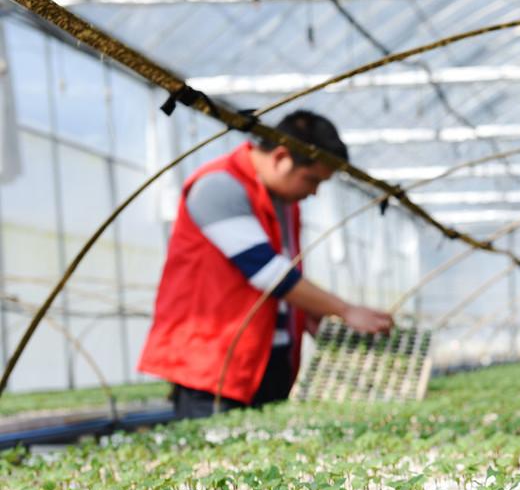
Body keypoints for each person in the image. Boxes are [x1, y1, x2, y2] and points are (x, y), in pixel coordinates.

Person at [139, 110, 393, 419]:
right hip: (213, 367)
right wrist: (344, 310)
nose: (313, 192)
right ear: (281, 157)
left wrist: (309, 313)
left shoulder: (285, 203)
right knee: (214, 462)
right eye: (312, 179)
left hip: (267, 363)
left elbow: (285, 279)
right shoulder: (218, 187)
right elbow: (266, 272)